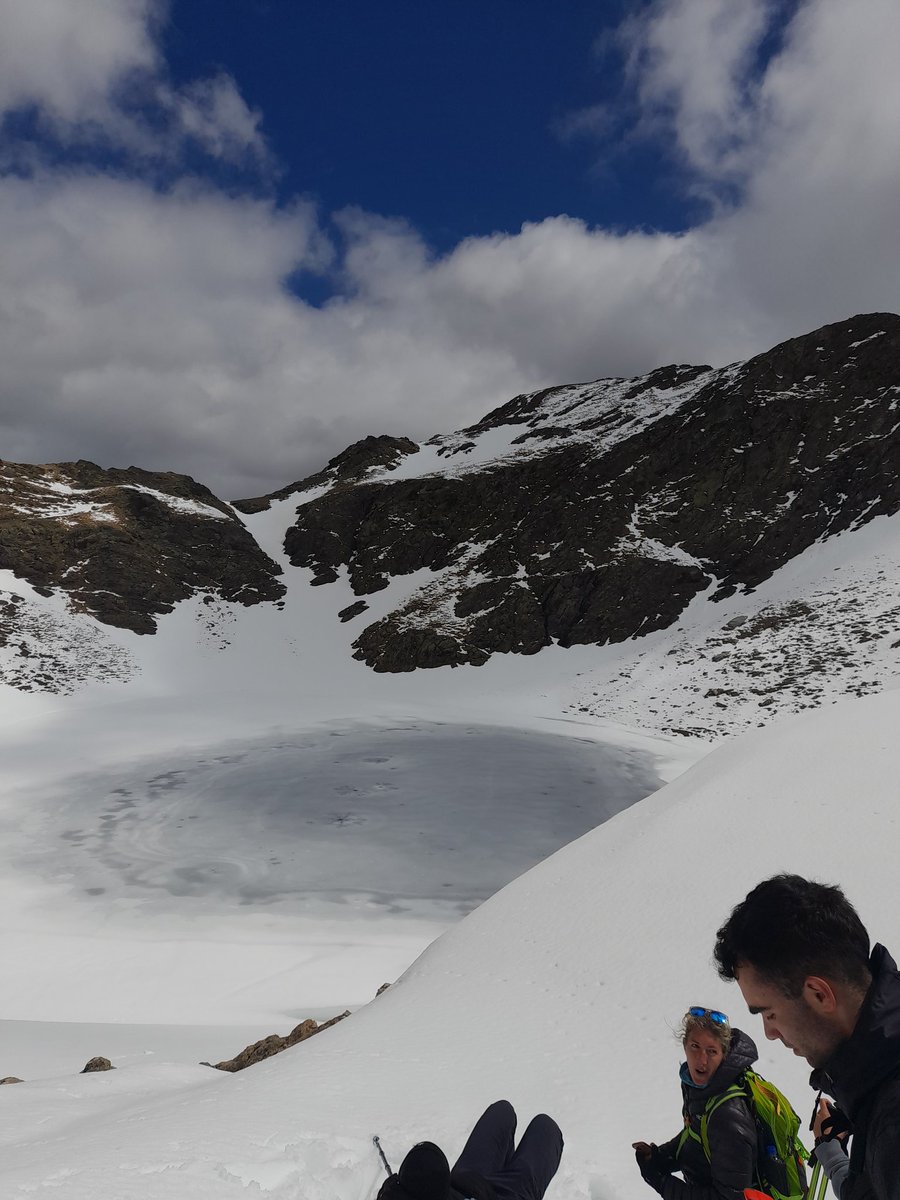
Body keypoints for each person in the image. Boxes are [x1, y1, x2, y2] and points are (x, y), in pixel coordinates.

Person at [713, 873, 900, 1199]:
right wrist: (833, 1151)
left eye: (768, 1013)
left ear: (819, 994)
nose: (770, 1033)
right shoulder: (879, 1086)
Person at [633, 1005, 760, 1199]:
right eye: (695, 1046)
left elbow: (729, 1198)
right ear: (685, 1046)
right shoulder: (703, 1090)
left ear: (724, 1055)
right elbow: (696, 1134)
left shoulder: (728, 1116)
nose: (701, 1060)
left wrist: (662, 1182)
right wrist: (659, 1158)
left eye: (711, 1051)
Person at [376, 1099, 563, 1200]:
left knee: (502, 1111)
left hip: (464, 1182)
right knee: (546, 1128)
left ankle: (504, 1168)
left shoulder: (394, 1193)